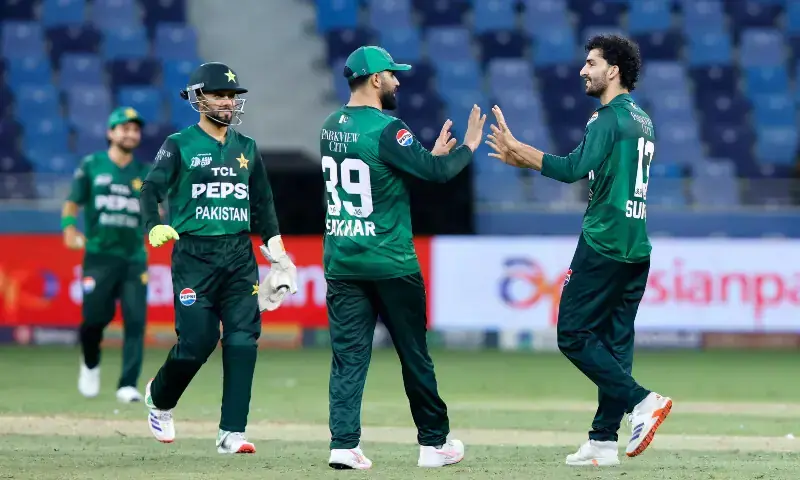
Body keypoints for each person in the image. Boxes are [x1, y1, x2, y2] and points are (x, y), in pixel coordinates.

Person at [485, 34, 672, 466]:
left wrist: (520, 149)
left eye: (592, 63)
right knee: (615, 343)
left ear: (614, 70)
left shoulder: (606, 118)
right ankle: (603, 441)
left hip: (604, 242)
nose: (583, 70)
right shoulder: (642, 119)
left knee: (572, 334)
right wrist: (523, 159)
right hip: (636, 245)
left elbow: (573, 169)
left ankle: (643, 402)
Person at [319, 46, 486, 470]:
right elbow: (437, 174)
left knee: (348, 358)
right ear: (375, 79)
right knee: (414, 355)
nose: (397, 81)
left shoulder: (329, 126)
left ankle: (343, 444)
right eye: (392, 74)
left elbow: (384, 171)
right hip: (391, 262)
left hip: (343, 261)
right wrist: (468, 147)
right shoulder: (388, 129)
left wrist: (425, 157)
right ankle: (433, 445)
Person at [138, 61, 298, 454]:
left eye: (231, 95)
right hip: (195, 254)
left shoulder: (247, 148)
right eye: (219, 95)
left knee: (244, 338)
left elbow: (264, 205)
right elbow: (150, 189)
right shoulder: (180, 144)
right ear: (199, 98)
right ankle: (160, 398)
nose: (227, 102)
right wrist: (152, 225)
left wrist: (279, 257)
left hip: (239, 255)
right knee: (198, 341)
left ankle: (232, 432)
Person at [63, 106, 150, 404]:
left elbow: (156, 208)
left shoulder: (145, 172)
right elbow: (72, 202)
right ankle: (90, 364)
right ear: (110, 133)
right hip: (99, 256)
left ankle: (128, 384)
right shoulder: (92, 165)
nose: (130, 134)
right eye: (124, 128)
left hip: (133, 258)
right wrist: (69, 229)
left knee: (136, 321)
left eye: (135, 129)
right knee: (94, 319)